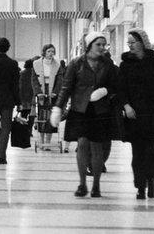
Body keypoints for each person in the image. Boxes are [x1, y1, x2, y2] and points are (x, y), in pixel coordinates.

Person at [51, 32, 117, 198]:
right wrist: (58, 108)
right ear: (89, 45)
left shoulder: (107, 64)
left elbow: (116, 86)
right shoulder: (76, 63)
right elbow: (66, 88)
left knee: (96, 148)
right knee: (82, 145)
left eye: (104, 44)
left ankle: (96, 185)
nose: (102, 48)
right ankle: (82, 184)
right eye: (98, 44)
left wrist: (105, 91)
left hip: (100, 110)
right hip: (80, 109)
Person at [116, 28, 154, 200]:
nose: (130, 46)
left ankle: (151, 181)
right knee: (137, 153)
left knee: (150, 151)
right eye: (129, 43)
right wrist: (126, 106)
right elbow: (121, 88)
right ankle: (140, 186)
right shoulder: (125, 65)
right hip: (134, 114)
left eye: (133, 42)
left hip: (153, 114)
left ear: (142, 42)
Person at [33, 44, 65, 149]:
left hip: (53, 92)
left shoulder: (57, 65)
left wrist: (56, 91)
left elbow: (60, 80)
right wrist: (38, 92)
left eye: (52, 51)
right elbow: (34, 80)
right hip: (42, 92)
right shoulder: (36, 64)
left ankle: (48, 141)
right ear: (44, 52)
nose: (51, 54)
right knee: (42, 116)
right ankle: (41, 140)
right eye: (49, 51)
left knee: (51, 116)